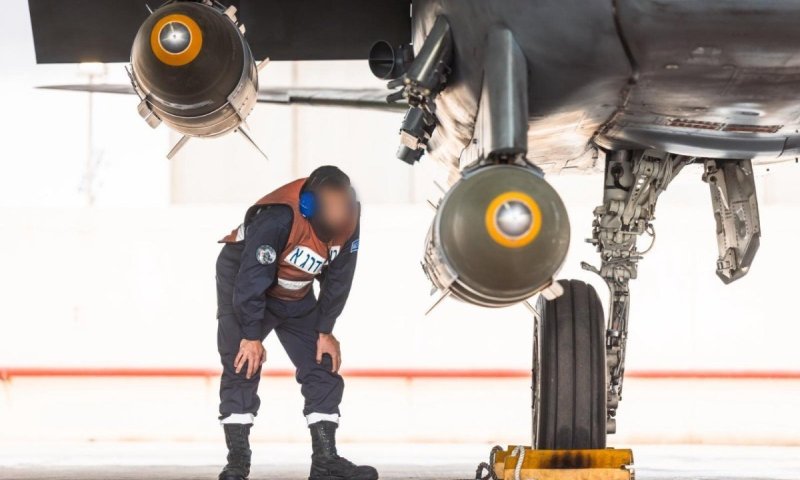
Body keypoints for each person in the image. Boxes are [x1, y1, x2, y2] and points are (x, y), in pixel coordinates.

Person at [214, 166, 377, 480]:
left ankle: (325, 462)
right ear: (309, 206)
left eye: (342, 206)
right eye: (330, 207)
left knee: (322, 363)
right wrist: (250, 335)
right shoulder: (278, 217)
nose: (338, 215)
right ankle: (237, 463)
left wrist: (325, 329)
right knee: (242, 363)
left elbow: (340, 277)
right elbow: (251, 279)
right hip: (243, 285)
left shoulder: (350, 218)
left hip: (294, 291)